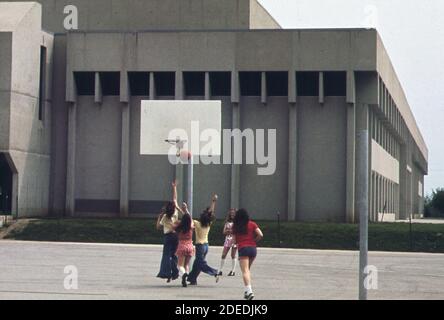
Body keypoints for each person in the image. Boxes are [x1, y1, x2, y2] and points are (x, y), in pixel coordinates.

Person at [187, 194, 219, 286]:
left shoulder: (197, 223)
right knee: (197, 264)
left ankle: (214, 272)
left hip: (200, 246)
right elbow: (211, 213)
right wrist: (213, 202)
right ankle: (192, 279)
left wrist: (184, 210)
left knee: (200, 264)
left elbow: (188, 218)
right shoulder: (209, 224)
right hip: (206, 246)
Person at [233, 208, 263, 300]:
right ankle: (246, 291)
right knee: (247, 270)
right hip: (253, 249)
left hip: (243, 248)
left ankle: (249, 291)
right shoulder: (252, 224)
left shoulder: (235, 226)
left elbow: (234, 241)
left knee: (245, 271)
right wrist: (254, 241)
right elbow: (261, 234)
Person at [156, 180, 183, 283]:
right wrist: (174, 187)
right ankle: (175, 273)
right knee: (174, 255)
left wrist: (158, 217)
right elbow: (175, 199)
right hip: (176, 236)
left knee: (166, 255)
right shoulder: (175, 213)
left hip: (168, 236)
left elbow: (158, 227)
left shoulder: (165, 217)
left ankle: (166, 273)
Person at [174, 203, 194, 287]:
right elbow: (189, 218)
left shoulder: (179, 226)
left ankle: (184, 274)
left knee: (179, 265)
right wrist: (186, 210)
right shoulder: (191, 227)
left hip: (182, 246)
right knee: (186, 265)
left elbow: (172, 225)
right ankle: (185, 279)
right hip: (190, 246)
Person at [217, 209, 238, 279]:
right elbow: (224, 232)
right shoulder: (227, 222)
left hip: (235, 239)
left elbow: (237, 231)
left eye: (233, 213)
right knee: (223, 255)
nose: (232, 214)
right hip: (228, 239)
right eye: (231, 213)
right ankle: (220, 270)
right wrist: (228, 231)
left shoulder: (237, 222)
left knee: (233, 255)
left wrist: (231, 231)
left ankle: (233, 271)